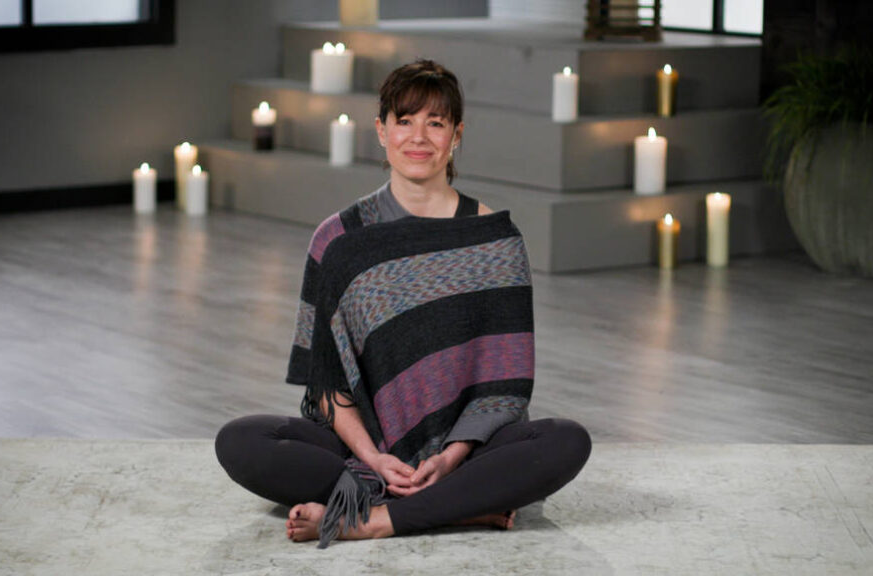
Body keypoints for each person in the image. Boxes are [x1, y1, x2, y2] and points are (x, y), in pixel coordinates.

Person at [215, 59, 591, 548]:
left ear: (456, 135)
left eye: (435, 123)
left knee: (565, 441)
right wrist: (373, 458)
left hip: (466, 451)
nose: (419, 138)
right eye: (405, 121)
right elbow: (326, 384)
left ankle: (371, 519)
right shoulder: (338, 239)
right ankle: (464, 508)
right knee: (241, 441)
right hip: (367, 448)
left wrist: (451, 454)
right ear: (381, 131)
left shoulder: (495, 241)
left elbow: (506, 383)